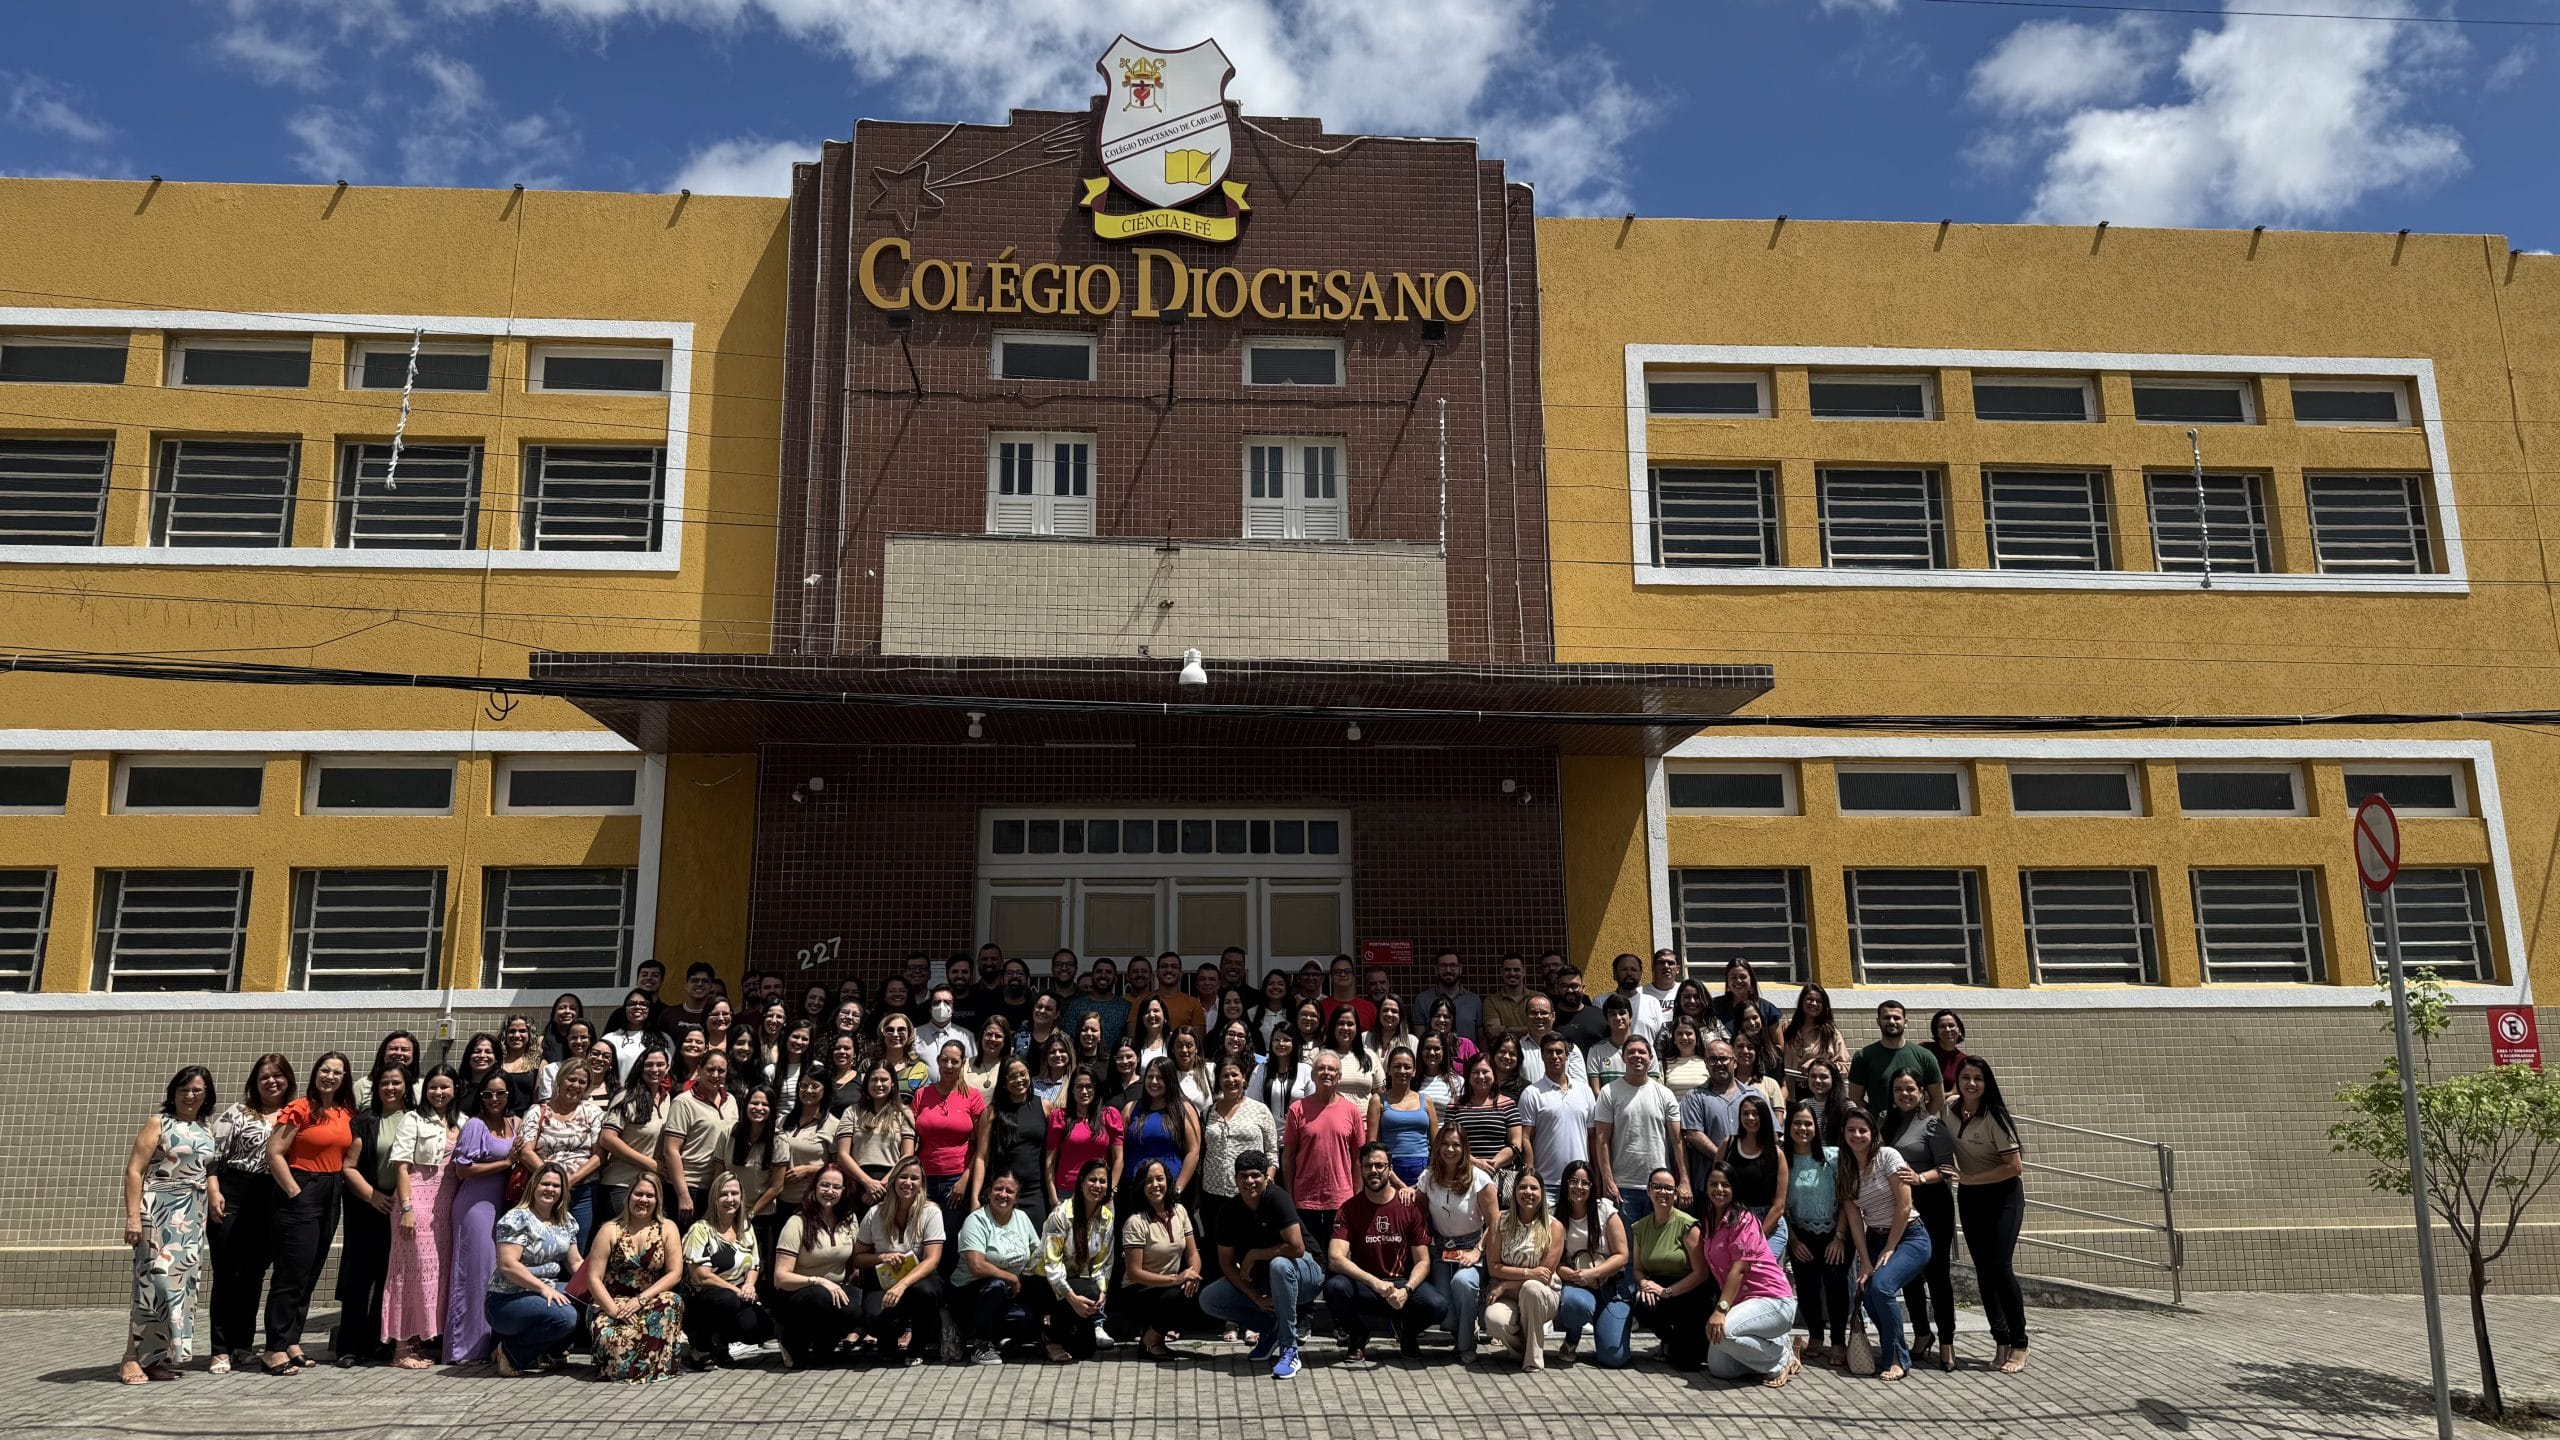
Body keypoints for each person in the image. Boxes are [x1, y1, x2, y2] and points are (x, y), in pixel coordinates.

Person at [121, 1065, 220, 1384]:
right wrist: (133, 1217)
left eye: (197, 1090)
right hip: (157, 1210)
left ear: (206, 1095)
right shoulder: (158, 1123)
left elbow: (208, 1169)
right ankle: (130, 1358)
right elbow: (134, 1170)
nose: (190, 1095)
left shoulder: (206, 1128)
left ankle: (155, 1358)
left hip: (191, 1216)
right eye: (183, 1090)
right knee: (152, 1285)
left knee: (177, 1290)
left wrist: (214, 1194)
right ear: (173, 1093)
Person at [261, 1049, 353, 1376]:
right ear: (315, 1073)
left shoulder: (345, 1112)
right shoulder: (300, 1108)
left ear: (345, 1079)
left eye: (337, 1073)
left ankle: (292, 1341)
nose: (330, 1077)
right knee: (291, 1273)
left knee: (310, 1272)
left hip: (332, 1191)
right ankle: (273, 1348)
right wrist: (294, 1191)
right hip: (302, 1187)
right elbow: (274, 1153)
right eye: (325, 1070)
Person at [1201, 1150, 1322, 1380]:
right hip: (1265, 1281)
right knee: (1209, 1298)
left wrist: (1255, 1254)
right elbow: (1227, 1265)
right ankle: (1271, 1331)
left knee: (1279, 1265)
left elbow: (1297, 1248)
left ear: (1267, 1177)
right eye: (1243, 1176)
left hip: (1307, 1274)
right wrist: (1255, 1297)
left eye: (1256, 1175)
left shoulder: (1278, 1198)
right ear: (1235, 1179)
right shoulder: (1228, 1212)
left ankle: (1289, 1349)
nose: (1249, 1181)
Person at [1324, 1142, 1447, 1362]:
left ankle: (1407, 1332)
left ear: (1390, 1169)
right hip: (1367, 1285)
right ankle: (1358, 1335)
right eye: (1368, 1166)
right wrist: (1375, 1283)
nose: (1374, 1171)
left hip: (1400, 1284)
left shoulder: (1409, 1207)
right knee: (1334, 1288)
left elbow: (1423, 1261)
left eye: (1380, 1165)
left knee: (1437, 1305)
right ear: (1360, 1169)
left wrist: (1407, 1290)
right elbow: (1335, 1258)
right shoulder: (1349, 1208)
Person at [208, 1054, 291, 1376]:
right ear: (254, 1083)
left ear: (288, 1079)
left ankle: (242, 1343)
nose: (271, 1082)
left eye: (277, 1075)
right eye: (264, 1077)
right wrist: (214, 1191)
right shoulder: (238, 1112)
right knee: (227, 1275)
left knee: (254, 1275)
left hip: (270, 1198)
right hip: (233, 1193)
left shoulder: (294, 1112)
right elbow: (212, 1156)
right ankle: (219, 1348)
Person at [1948, 1056, 2030, 1373]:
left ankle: (2020, 1343)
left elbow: (2014, 1167)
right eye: (1965, 1077)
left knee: (2000, 1267)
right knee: (1983, 1270)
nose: (1971, 1083)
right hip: (1971, 1198)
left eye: (1978, 1079)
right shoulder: (1950, 1108)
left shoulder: (1995, 1117)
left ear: (1987, 1083)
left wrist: (1969, 1178)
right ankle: (2001, 1339)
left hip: (2003, 1197)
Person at [1841, 1104, 1929, 1381]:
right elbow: (1854, 1219)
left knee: (1882, 1287)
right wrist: (1864, 1261)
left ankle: (1896, 1358)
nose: (1857, 1135)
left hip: (1910, 1236)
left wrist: (1891, 1247)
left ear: (1872, 1133)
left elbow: (1905, 1205)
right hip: (1874, 1238)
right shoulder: (1845, 1168)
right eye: (1851, 1130)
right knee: (1868, 1292)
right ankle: (1893, 1348)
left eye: (1862, 1130)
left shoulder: (1888, 1156)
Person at [383, 1064, 460, 1370]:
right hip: (416, 1200)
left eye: (444, 1087)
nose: (438, 1092)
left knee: (432, 1275)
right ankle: (401, 1348)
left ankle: (418, 1341)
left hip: (446, 1204)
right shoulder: (412, 1119)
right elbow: (401, 1166)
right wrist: (407, 1208)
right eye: (433, 1087)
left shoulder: (464, 1121)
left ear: (455, 1089)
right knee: (407, 1273)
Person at [1698, 1161, 1802, 1386]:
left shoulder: (1744, 1219)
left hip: (1773, 1300)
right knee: (1720, 1368)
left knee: (1724, 1332)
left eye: (1725, 1184)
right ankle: (1775, 1346)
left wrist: (1720, 1310)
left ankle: (1781, 1358)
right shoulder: (1708, 1220)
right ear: (1705, 1188)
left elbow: (1739, 1269)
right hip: (1743, 1306)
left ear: (1734, 1188)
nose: (1719, 1189)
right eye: (1713, 1184)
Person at [1884, 1068, 1959, 1369]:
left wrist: (1920, 1178)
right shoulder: (1885, 1123)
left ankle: (1947, 1341)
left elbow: (1947, 1169)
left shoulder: (1932, 1125)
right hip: (1902, 1207)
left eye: (1910, 1089)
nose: (1905, 1094)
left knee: (1938, 1276)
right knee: (1910, 1276)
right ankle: (1921, 1333)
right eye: (1898, 1089)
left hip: (1933, 1206)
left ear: (1922, 1093)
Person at [444, 1071, 521, 1362]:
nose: (494, 1099)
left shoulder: (514, 1124)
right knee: (474, 1275)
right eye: (488, 1094)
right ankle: (463, 1349)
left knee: (495, 1275)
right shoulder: (476, 1125)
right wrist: (506, 1162)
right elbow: (463, 1170)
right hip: (475, 1206)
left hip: (503, 1205)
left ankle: (490, 1344)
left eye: (500, 1093)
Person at [334, 1061, 406, 1367]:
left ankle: (378, 1342)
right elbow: (348, 1167)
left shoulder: (416, 1119)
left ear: (407, 1087)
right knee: (359, 1279)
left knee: (390, 1277)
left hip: (402, 1210)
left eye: (396, 1082)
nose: (390, 1088)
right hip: (368, 1208)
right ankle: (349, 1346)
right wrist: (372, 1196)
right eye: (384, 1083)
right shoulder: (364, 1121)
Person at [484, 1162, 585, 1377]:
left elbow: (575, 1262)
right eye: (545, 1184)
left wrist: (598, 1288)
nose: (550, 1189)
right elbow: (508, 1264)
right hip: (507, 1298)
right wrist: (543, 1289)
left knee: (585, 1303)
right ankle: (510, 1353)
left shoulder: (566, 1220)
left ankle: (551, 1353)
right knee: (565, 1316)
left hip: (544, 1290)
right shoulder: (517, 1218)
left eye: (556, 1186)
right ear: (534, 1186)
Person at [587, 1173, 687, 1383]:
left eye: (650, 1196)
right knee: (613, 1338)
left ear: (658, 1200)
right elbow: (593, 1278)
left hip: (649, 1301)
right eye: (638, 1194)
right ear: (629, 1196)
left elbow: (675, 1273)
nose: (643, 1200)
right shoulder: (609, 1230)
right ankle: (639, 1365)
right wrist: (615, 1311)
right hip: (612, 1302)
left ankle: (641, 1367)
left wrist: (640, 1300)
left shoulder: (667, 1228)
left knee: (673, 1301)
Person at [851, 1158, 947, 1364]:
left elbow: (932, 1259)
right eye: (903, 1177)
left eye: (914, 1178)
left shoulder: (931, 1211)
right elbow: (857, 1258)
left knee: (926, 1292)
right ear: (893, 1180)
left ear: (922, 1183)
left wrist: (901, 1285)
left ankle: (916, 1347)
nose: (908, 1183)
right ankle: (887, 1343)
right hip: (883, 1279)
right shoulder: (875, 1213)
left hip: (919, 1279)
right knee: (875, 1317)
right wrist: (881, 1257)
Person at [772, 1162, 863, 1368]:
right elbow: (780, 1277)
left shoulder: (850, 1220)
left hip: (834, 1290)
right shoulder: (797, 1222)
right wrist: (819, 1281)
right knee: (820, 1297)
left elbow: (855, 1264)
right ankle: (791, 1340)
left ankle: (825, 1345)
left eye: (836, 1187)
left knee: (856, 1308)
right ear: (814, 1188)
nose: (830, 1191)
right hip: (798, 1294)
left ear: (844, 1190)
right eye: (824, 1185)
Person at [1419, 1123, 1497, 1362]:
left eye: (1455, 1145)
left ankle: (1465, 1344)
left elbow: (1496, 1222)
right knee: (1444, 1310)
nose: (1450, 1149)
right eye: (1444, 1144)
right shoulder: (1428, 1178)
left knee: (1463, 1283)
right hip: (1441, 1251)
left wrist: (1477, 1251)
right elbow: (1418, 1215)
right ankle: (1462, 1329)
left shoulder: (1479, 1179)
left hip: (1472, 1248)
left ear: (1464, 1149)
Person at [1782, 1100, 1850, 1368]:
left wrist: (1839, 1237)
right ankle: (1816, 1336)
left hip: (1835, 1233)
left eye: (1808, 1123)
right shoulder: (1783, 1160)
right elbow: (1779, 1206)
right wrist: (1793, 1240)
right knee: (1807, 1288)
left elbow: (1847, 1199)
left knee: (1835, 1287)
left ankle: (1838, 1341)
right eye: (1797, 1123)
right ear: (1789, 1127)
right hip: (1800, 1235)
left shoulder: (1832, 1157)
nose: (1803, 1128)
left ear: (1816, 1127)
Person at [1115, 1158, 1204, 1357]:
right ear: (1141, 1186)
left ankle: (1157, 1331)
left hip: (1168, 1286)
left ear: (1168, 1181)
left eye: (1159, 1179)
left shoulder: (1179, 1211)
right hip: (1138, 1291)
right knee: (1176, 1297)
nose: (1155, 1185)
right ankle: (1150, 1342)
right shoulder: (1135, 1222)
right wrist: (1177, 1279)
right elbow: (1134, 1273)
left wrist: (1192, 1275)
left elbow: (1193, 1253)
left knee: (1198, 1292)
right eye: (1148, 1181)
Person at [682, 1173, 774, 1368]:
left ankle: (721, 1342)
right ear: (714, 1198)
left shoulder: (745, 1227)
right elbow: (700, 1276)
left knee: (761, 1328)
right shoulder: (700, 1229)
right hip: (702, 1300)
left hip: (736, 1296)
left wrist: (749, 1285)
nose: (730, 1199)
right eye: (723, 1194)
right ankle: (700, 1344)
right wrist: (737, 1291)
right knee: (727, 1299)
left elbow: (754, 1264)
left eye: (734, 1193)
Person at [954, 1172, 1045, 1364]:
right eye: (998, 1189)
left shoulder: (1022, 1217)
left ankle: (1017, 1339)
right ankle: (980, 1345)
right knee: (996, 1286)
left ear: (1016, 1198)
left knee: (1030, 1310)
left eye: (1009, 1191)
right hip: (971, 1290)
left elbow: (1037, 1255)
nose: (1003, 1194)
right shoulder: (976, 1220)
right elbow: (977, 1266)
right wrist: (1011, 1278)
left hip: (1010, 1291)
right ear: (988, 1193)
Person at [1628, 1168, 1713, 1371]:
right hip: (1658, 1286)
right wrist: (1644, 1284)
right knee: (1641, 1303)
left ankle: (1679, 1344)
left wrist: (1667, 1292)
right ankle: (1669, 1339)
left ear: (1675, 1194)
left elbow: (1701, 1272)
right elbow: (1637, 1268)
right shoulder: (1640, 1227)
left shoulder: (1688, 1225)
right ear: (1648, 1191)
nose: (1662, 1192)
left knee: (1687, 1364)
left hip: (1690, 1292)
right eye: (1657, 1187)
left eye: (1668, 1188)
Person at [1281, 1052, 1365, 1252]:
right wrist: (1289, 1194)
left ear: (1339, 1076)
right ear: (1312, 1075)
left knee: (1338, 1257)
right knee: (1310, 1258)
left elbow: (1357, 1159)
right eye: (1321, 1068)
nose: (1326, 1072)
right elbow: (1288, 1156)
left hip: (1341, 1198)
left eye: (1332, 1069)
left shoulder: (1352, 1111)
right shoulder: (1297, 1109)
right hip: (1305, 1199)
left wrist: (1358, 1195)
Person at [1552, 1159, 1631, 1369]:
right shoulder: (1554, 1214)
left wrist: (1594, 1273)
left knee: (1614, 1358)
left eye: (1585, 1182)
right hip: (1577, 1284)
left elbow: (1622, 1255)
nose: (1579, 1187)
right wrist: (1570, 1275)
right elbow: (1552, 1261)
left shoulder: (1605, 1210)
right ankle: (1572, 1337)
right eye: (1573, 1181)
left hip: (1611, 1285)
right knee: (1576, 1305)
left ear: (1592, 1186)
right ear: (1565, 1183)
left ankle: (1606, 1324)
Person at [1592, 1035, 1681, 1223]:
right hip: (1623, 1187)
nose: (1637, 1056)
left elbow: (1677, 1141)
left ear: (1651, 1057)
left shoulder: (1665, 1094)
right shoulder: (1609, 1092)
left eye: (1642, 1052)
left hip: (1660, 1186)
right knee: (1627, 1242)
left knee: (1658, 1241)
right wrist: (1608, 1181)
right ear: (1623, 1058)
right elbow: (1601, 1140)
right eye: (1631, 1052)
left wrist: (1685, 1180)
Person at [1482, 1169, 1564, 1371]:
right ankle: (1522, 1351)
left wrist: (1506, 1284)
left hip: (1542, 1295)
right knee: (1494, 1320)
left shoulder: (1554, 1227)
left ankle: (1533, 1360)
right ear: (1514, 1192)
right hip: (1509, 1296)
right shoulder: (1499, 1221)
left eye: (1534, 1188)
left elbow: (1543, 1275)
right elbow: (1494, 1267)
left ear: (1542, 1192)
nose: (1528, 1192)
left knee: (1531, 1288)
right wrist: (1528, 1273)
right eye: (1523, 1187)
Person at [521, 1059, 606, 1249]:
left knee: (577, 1249)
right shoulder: (538, 1111)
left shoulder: (593, 1112)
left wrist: (571, 1180)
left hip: (582, 1193)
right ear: (560, 1080)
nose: (576, 1085)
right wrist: (554, 1179)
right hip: (544, 1192)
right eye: (571, 1079)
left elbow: (599, 1155)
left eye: (582, 1082)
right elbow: (526, 1152)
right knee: (541, 1247)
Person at [1039, 1160, 1114, 1362]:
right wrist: (1072, 1298)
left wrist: (1103, 1292)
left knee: (1085, 1351)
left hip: (1076, 1280)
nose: (1097, 1185)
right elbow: (1052, 1265)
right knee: (1087, 1291)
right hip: (1045, 1281)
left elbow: (1103, 1262)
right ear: (1081, 1182)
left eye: (1103, 1181)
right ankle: (1050, 1337)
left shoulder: (1106, 1217)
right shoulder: (1060, 1214)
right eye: (1092, 1180)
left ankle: (1068, 1331)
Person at [597, 1046, 672, 1221]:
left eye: (660, 1064)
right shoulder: (626, 1097)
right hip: (622, 1184)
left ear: (668, 1068)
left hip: (652, 1188)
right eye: (649, 1065)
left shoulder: (668, 1099)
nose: (654, 1069)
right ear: (640, 1067)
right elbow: (607, 1139)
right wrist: (650, 1164)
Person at [662, 1053, 738, 1226]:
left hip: (718, 1187)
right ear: (699, 1070)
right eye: (710, 1070)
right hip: (689, 1187)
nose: (715, 1075)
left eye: (721, 1070)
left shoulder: (731, 1100)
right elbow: (671, 1150)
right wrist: (683, 1195)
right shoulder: (683, 1102)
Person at [977, 1059, 1052, 1224]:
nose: (1019, 1080)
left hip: (1035, 1193)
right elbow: (981, 1157)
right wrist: (975, 1198)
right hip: (1002, 1193)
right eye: (1012, 1076)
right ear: (1004, 1082)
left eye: (1022, 1074)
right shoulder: (992, 1112)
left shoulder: (1044, 1106)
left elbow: (1051, 1154)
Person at [1678, 1038, 1748, 1212]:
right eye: (1712, 1059)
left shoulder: (1753, 1096)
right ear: (1706, 1064)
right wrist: (1728, 1160)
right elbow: (1694, 1135)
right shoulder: (1694, 1097)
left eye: (1723, 1058)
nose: (1718, 1063)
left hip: (1747, 1184)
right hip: (1708, 1189)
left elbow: (1770, 1134)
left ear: (1735, 1062)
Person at [1520, 1032, 1593, 1192]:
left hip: (1579, 1183)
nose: (1554, 1056)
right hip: (1545, 1183)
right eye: (1549, 1052)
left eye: (1559, 1052)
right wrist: (1531, 1178)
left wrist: (1596, 1179)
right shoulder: (1531, 1093)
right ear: (1542, 1056)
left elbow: (1592, 1137)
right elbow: (1525, 1138)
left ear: (1567, 1056)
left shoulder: (1585, 1091)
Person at [1122, 1057, 1201, 1201]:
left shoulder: (1184, 1109)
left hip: (1169, 1190)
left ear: (1170, 1080)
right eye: (1150, 1077)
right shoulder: (1130, 1108)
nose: (1154, 1082)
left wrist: (1178, 1189)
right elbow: (1119, 1150)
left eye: (1160, 1078)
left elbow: (1193, 1152)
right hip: (1133, 1189)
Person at [1446, 1053, 1525, 1192]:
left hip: (1498, 1178)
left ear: (1494, 1074)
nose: (1481, 1076)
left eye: (1485, 1072)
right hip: (1463, 1176)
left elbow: (1516, 1144)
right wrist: (1476, 1163)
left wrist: (1491, 1165)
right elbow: (1447, 1143)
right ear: (1468, 1076)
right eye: (1475, 1072)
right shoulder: (1454, 1105)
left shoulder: (1508, 1104)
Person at [1846, 1001, 1943, 1112]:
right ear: (1878, 1021)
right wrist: (1872, 1120)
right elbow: (1855, 1098)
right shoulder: (1863, 1057)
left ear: (1905, 1022)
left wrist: (1922, 1120)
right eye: (1886, 1018)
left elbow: (1938, 1099)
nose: (1892, 1021)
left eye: (1897, 1018)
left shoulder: (1925, 1056)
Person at [1728, 1094, 1790, 1255]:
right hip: (1736, 1219)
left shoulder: (1776, 1154)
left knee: (1759, 1266)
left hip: (1769, 1223)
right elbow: (1716, 1182)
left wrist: (1756, 1236)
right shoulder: (1728, 1145)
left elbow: (1779, 1206)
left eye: (1755, 1113)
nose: (1750, 1118)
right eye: (1745, 1113)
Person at [1367, 1047, 1437, 1187]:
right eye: (1397, 1066)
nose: (1402, 1071)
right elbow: (1373, 1145)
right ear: (1388, 1069)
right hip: (1389, 1170)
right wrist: (1397, 1182)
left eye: (1407, 1067)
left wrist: (1427, 1176)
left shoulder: (1426, 1101)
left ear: (1414, 1071)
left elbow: (1436, 1144)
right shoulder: (1378, 1100)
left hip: (1423, 1171)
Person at [1781, 982, 1851, 1092]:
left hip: (1820, 1093)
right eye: (1810, 999)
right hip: (1790, 1092)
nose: (1814, 1003)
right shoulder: (1787, 1027)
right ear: (1802, 1001)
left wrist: (1816, 1063)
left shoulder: (1831, 1033)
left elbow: (1846, 1066)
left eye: (1819, 1001)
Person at [1412, 950, 1483, 1048]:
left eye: (1453, 965)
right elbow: (1419, 1040)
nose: (1448, 970)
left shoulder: (1474, 1001)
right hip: (1434, 1055)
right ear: (1436, 969)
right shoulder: (1423, 1000)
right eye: (1443, 966)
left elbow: (1481, 1037)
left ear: (1460, 969)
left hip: (1468, 1056)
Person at [1250, 1025, 1313, 1133]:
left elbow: (1312, 1106)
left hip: (1297, 1135)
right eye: (1277, 1039)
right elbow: (1252, 1103)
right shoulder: (1261, 1069)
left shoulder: (1305, 1070)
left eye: (1286, 1040)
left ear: (1294, 1043)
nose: (1281, 1043)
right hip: (1267, 1134)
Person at [1064, 958, 1132, 1056]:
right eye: (1099, 971)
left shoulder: (1126, 1007)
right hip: (1083, 1062)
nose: (1103, 975)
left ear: (1115, 979)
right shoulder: (1076, 1006)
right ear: (1092, 977)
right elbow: (1067, 1040)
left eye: (1108, 972)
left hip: (1116, 1063)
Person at [1319, 1007, 1382, 1107]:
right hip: (1331, 1115)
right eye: (1340, 1023)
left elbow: (1380, 1094)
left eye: (1350, 1024)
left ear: (1357, 1028)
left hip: (1365, 1116)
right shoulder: (1321, 1056)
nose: (1345, 1028)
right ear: (1333, 1026)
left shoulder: (1370, 1056)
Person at [1515, 996, 1584, 1088]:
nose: (1539, 1016)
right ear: (1526, 1016)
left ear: (1553, 1016)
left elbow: (1580, 1087)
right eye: (1534, 1012)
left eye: (1544, 1013)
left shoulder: (1570, 1048)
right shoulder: (1517, 1048)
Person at [1709, 958, 1780, 1040]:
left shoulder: (1767, 1009)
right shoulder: (1714, 1006)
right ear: (1727, 982)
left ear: (1751, 980)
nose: (1738, 981)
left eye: (1743, 977)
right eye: (1733, 977)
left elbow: (1778, 1044)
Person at [604, 989, 665, 1085]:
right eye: (632, 1004)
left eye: (643, 1004)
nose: (637, 1007)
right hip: (616, 1091)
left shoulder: (663, 1039)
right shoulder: (610, 1039)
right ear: (625, 1008)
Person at [916, 985, 977, 1066]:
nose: (941, 1006)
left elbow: (972, 1067)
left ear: (953, 1008)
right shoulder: (915, 1035)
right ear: (930, 1008)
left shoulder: (966, 1036)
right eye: (937, 1002)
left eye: (947, 1002)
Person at [1800, 1057, 1852, 1150]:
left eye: (1823, 1077)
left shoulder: (1847, 1106)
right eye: (1813, 1076)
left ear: (1833, 1079)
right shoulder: (1803, 1105)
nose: (1817, 1080)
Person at [1483, 954, 1535, 1045]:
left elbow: (1545, 1029)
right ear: (1501, 972)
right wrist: (1530, 1029)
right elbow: (1494, 1032)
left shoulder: (1539, 998)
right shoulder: (1491, 1001)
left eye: (1516, 970)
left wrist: (1507, 1029)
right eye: (1507, 970)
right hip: (1506, 1052)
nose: (1512, 974)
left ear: (1524, 971)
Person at [1319, 954, 1375, 1031]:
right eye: (1337, 972)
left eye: (1347, 971)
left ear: (1353, 976)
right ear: (1331, 977)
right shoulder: (1320, 1007)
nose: (1342, 974)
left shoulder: (1369, 1008)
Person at [1922, 1009, 1969, 1094]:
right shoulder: (1924, 1050)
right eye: (1942, 1026)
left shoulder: (1964, 1061)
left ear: (1959, 1030)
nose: (1948, 1029)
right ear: (1936, 1032)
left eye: (1951, 1025)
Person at [964, 1016, 1011, 1093]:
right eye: (989, 1034)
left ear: (1005, 1040)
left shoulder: (1009, 1067)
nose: (992, 1039)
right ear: (982, 1036)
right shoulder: (965, 1064)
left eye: (998, 1036)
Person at [1247, 970, 1294, 1043]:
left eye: (1280, 984)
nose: (1275, 987)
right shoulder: (1252, 1012)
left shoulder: (1294, 1012)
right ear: (1265, 987)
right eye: (1270, 984)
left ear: (1287, 988)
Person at [1414, 1032, 1459, 1108]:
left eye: (1437, 1049)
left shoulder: (1456, 1082)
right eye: (1427, 1048)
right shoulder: (1412, 1081)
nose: (1432, 1053)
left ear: (1444, 1051)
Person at [1032, 1033, 1077, 1107]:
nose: (1057, 1055)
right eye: (1052, 1052)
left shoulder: (1075, 1085)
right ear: (1046, 1056)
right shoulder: (1034, 1084)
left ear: (1069, 1054)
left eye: (1062, 1051)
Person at [542, 994, 589, 1064]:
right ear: (554, 1013)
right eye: (562, 1008)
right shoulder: (542, 1041)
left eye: (572, 1008)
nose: (567, 1011)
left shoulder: (587, 1042)